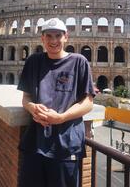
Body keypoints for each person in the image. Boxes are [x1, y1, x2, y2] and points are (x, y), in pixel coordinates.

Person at [17, 18, 95, 187]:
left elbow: (88, 102)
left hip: (65, 146)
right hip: (35, 144)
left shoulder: (79, 61)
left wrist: (61, 117)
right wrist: (32, 108)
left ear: (66, 37)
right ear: (42, 38)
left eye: (58, 35)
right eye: (49, 36)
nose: (53, 41)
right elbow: (26, 98)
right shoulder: (33, 61)